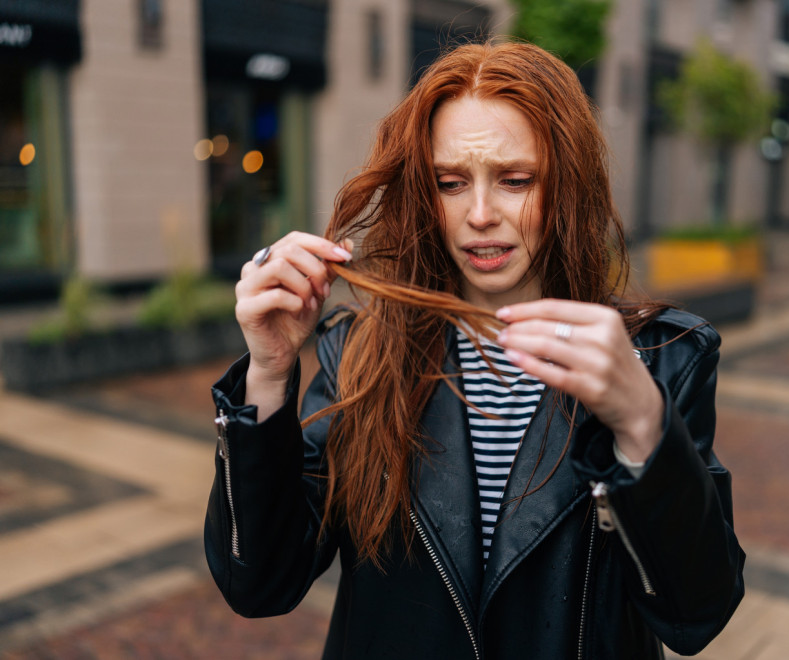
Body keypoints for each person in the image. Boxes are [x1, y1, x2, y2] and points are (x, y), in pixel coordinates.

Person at [205, 41, 745, 659]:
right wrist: (270, 375)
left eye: (516, 180)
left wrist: (642, 422)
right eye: (450, 183)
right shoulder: (359, 353)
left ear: (569, 185)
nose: (480, 214)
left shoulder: (659, 356)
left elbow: (695, 616)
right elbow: (260, 582)